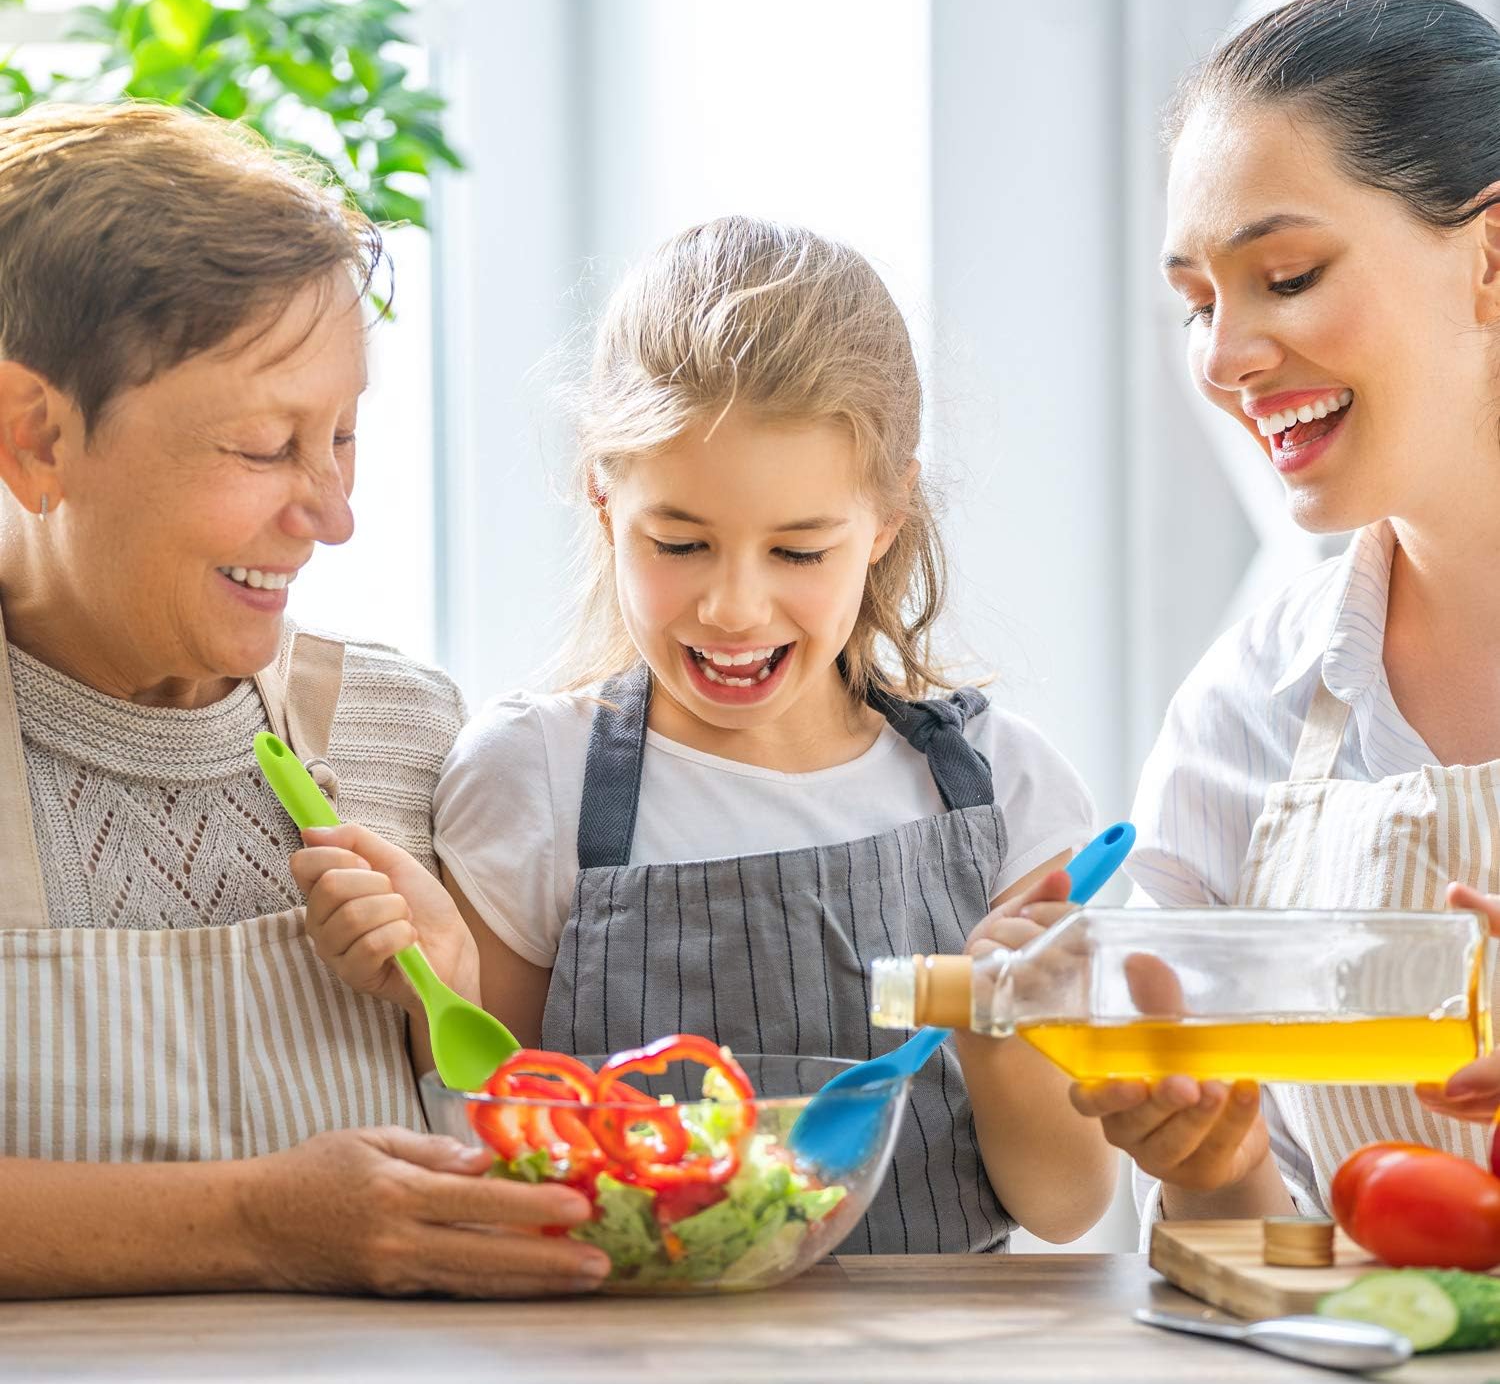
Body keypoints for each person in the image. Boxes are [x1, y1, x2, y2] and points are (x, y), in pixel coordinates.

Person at [296, 215, 1117, 1251]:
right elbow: (495, 1145)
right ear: (602, 498)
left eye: (799, 552)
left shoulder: (1004, 789)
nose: (735, 606)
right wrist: (438, 989)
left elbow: (1068, 1203)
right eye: (681, 542)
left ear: (888, 514)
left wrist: (998, 1027)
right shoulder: (535, 780)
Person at [0, 102, 606, 1298]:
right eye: (267, 446)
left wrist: (461, 1005)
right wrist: (257, 1222)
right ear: (37, 437)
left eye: (345, 434)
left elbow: (542, 1154)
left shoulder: (411, 736)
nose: (333, 514)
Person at [1068, 0, 1500, 1231]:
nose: (1222, 357)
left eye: (1288, 275)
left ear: (1488, 256)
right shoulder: (1253, 704)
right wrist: (1213, 1165)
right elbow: (1266, 1264)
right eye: (1199, 302)